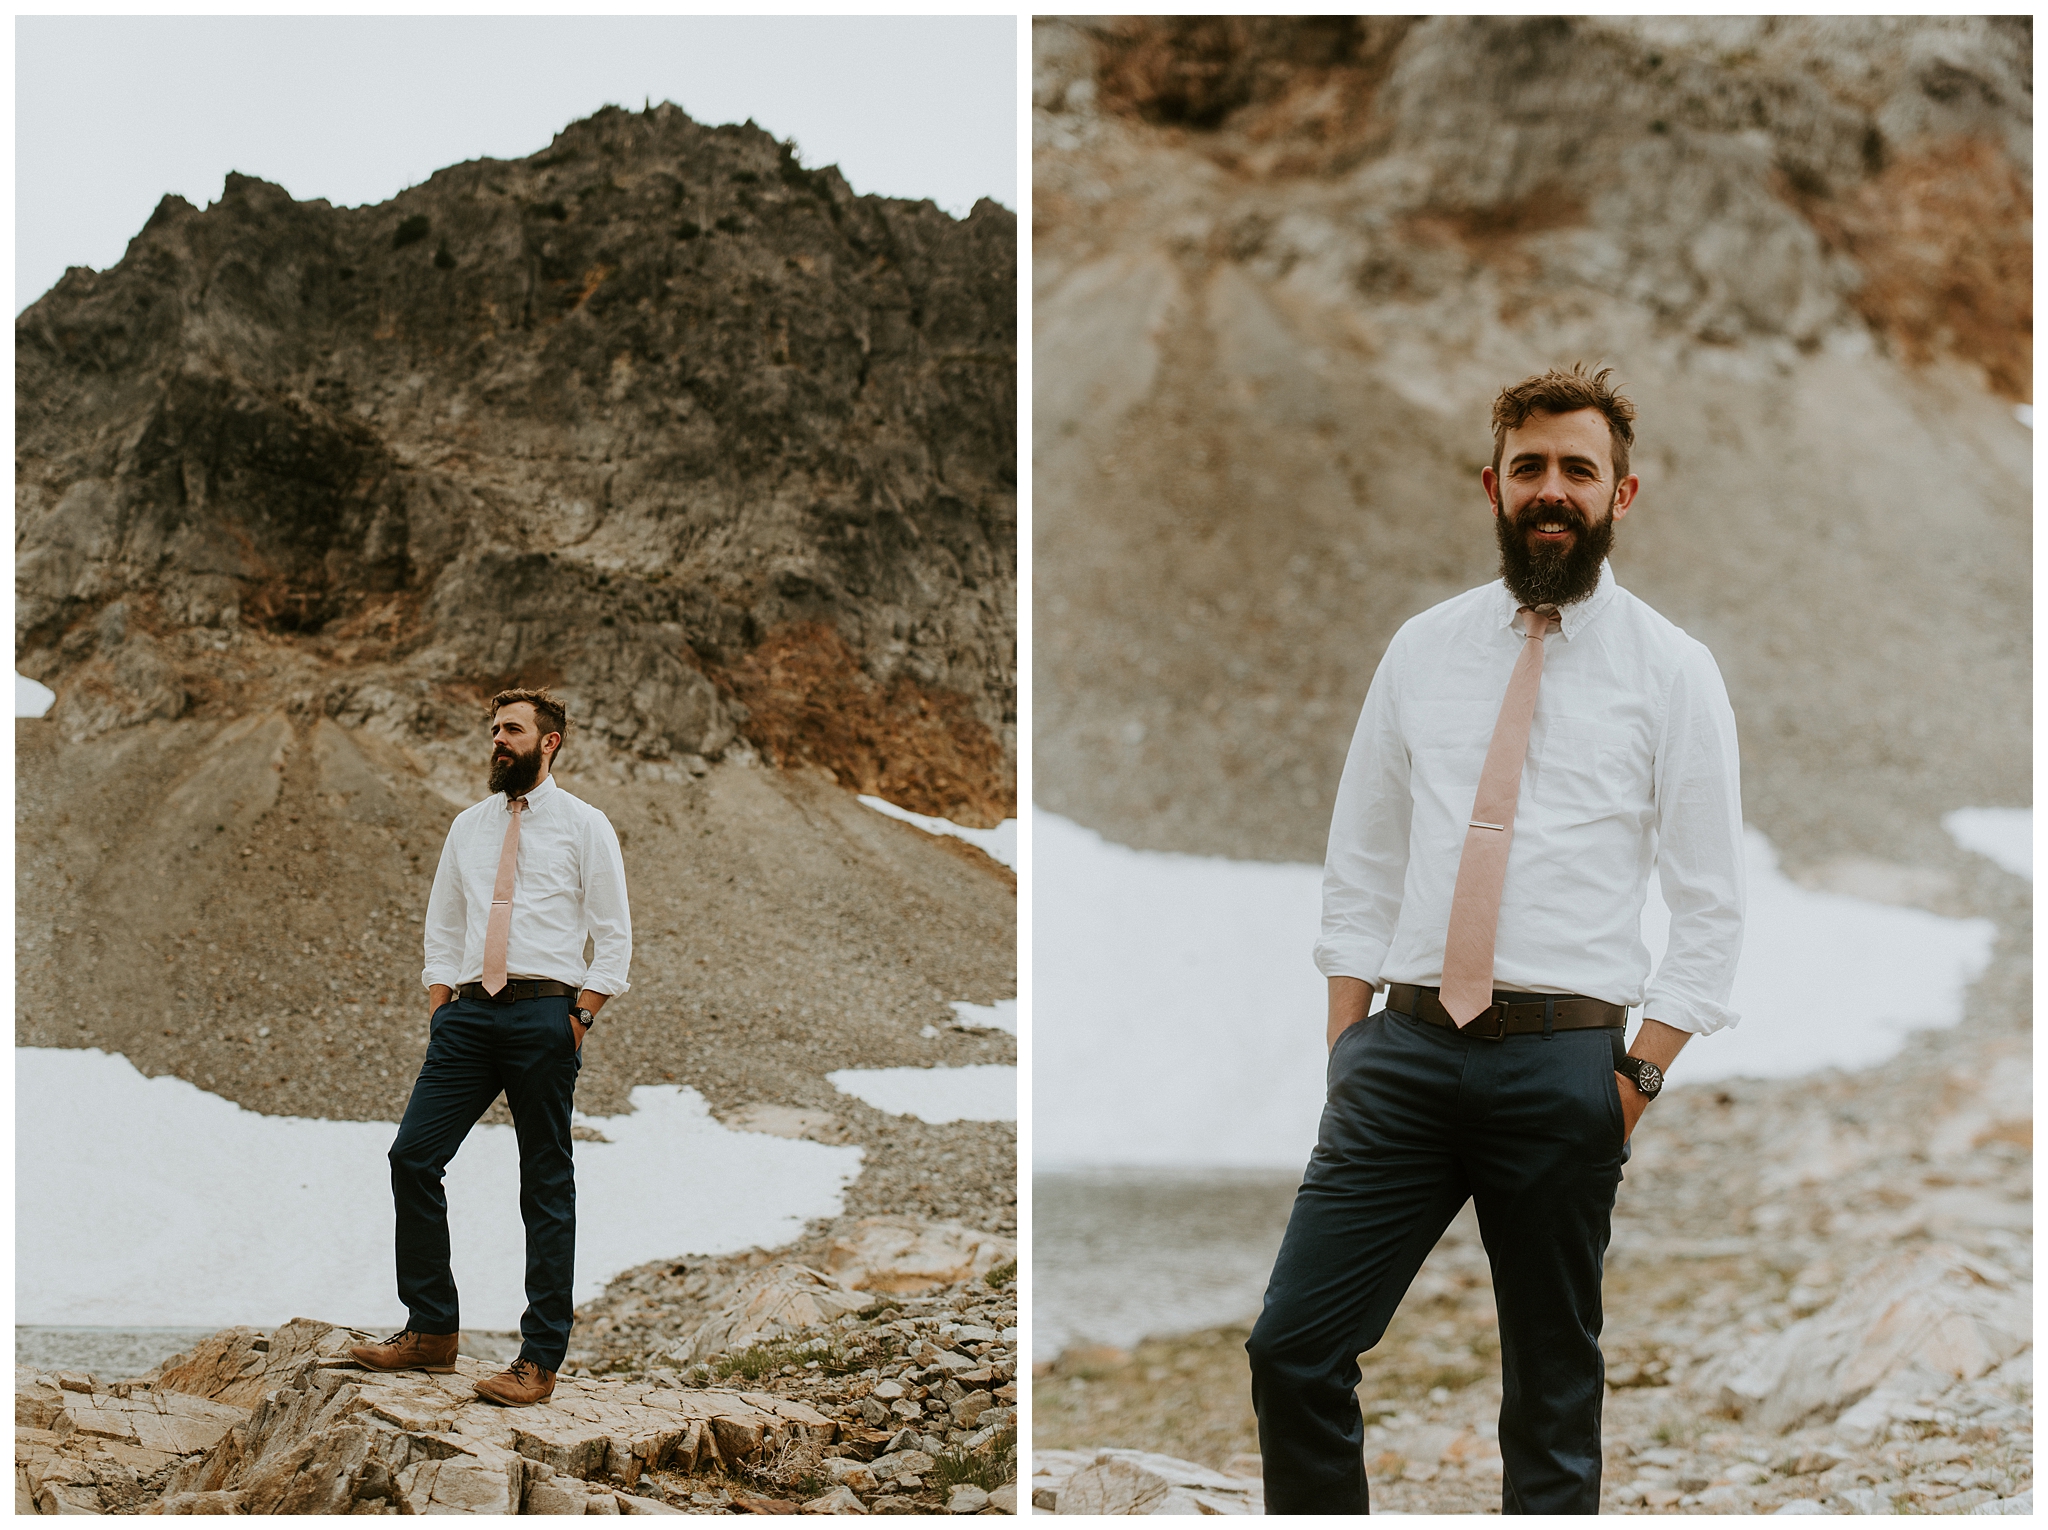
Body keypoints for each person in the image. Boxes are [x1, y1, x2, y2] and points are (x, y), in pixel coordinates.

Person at [1246, 365, 1745, 1513]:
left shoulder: (1671, 671)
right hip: (1402, 1058)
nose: (1551, 490)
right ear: (1491, 485)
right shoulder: (1420, 649)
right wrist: (1346, 1049)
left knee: (1550, 1399)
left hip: (1565, 1067)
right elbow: (1360, 862)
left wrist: (1633, 1079)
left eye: (1578, 469)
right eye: (1530, 468)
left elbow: (1709, 901)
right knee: (1292, 1351)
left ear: (1622, 496)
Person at [349, 687, 633, 1407]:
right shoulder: (467, 826)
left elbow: (614, 932)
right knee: (413, 1156)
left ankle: (539, 1358)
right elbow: (443, 924)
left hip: (545, 1013)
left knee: (544, 1183)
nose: (498, 741)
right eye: (494, 730)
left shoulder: (584, 825)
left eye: (513, 730)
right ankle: (432, 1332)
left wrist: (583, 1016)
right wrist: (442, 1002)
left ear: (550, 742)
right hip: (468, 1018)